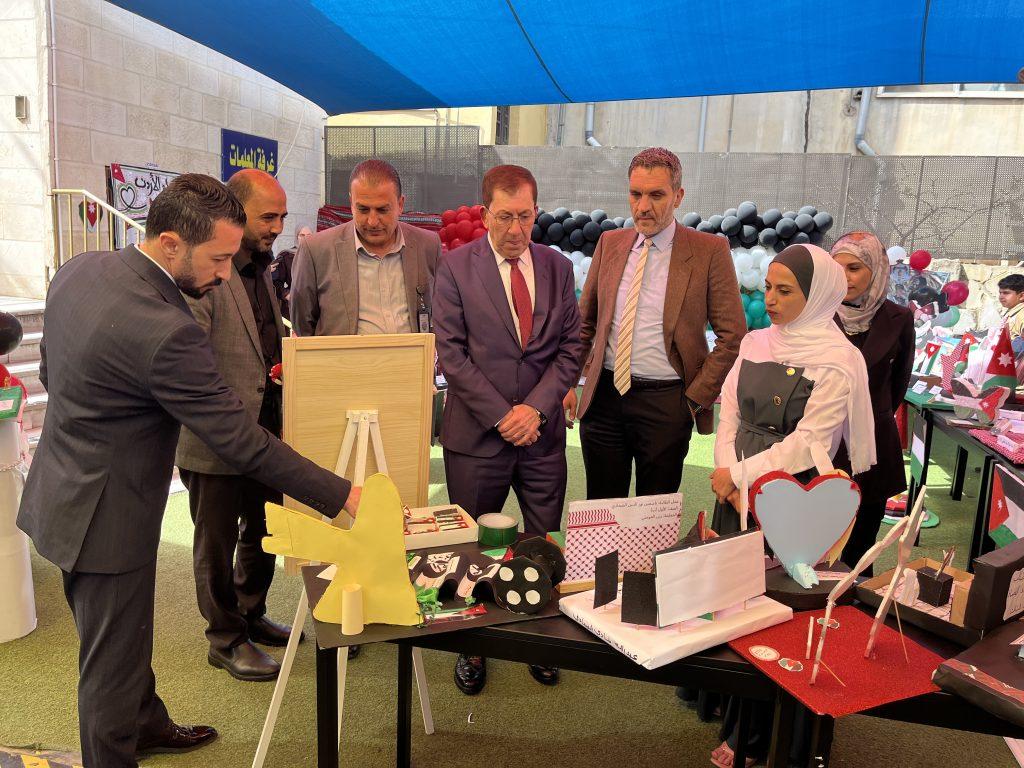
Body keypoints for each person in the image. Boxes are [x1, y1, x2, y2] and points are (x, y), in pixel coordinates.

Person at [17, 174, 359, 768]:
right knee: (108, 669)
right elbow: (242, 443)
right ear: (172, 242)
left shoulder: (81, 268)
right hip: (106, 519)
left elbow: (51, 371)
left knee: (120, 641)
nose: (226, 274)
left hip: (62, 489)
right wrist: (345, 495)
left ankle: (145, 724)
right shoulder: (167, 330)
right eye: (219, 258)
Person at [707, 244, 875, 768]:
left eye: (785, 291)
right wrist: (726, 473)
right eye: (768, 288)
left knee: (774, 612)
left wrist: (741, 477)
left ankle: (759, 733)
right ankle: (731, 707)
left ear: (817, 295)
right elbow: (728, 410)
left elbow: (809, 442)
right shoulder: (756, 341)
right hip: (732, 486)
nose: (771, 300)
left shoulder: (838, 359)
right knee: (730, 597)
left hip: (789, 497)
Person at [433, 164, 582, 694]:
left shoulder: (558, 267)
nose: (515, 229)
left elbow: (571, 349)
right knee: (474, 548)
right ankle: (473, 645)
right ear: (484, 213)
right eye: (504, 217)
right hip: (477, 438)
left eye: (524, 216)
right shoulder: (455, 267)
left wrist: (535, 410)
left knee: (541, 543)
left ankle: (538, 641)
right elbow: (451, 355)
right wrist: (503, 415)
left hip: (541, 438)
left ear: (536, 212)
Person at [568, 147, 745, 500]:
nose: (643, 206)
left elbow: (733, 336)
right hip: (603, 399)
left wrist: (693, 399)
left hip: (667, 403)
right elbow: (585, 324)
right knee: (602, 509)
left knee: (655, 513)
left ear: (678, 196)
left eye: (656, 195)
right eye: (636, 194)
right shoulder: (610, 243)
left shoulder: (709, 251)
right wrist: (569, 382)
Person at [175, 169, 294, 683]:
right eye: (268, 217)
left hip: (264, 433)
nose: (278, 227)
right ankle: (223, 639)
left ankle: (250, 613)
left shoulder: (262, 268)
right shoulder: (204, 273)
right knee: (215, 543)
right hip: (212, 437)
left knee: (263, 529)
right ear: (236, 213)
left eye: (282, 217)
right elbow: (193, 364)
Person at [831, 231, 915, 570]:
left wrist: (870, 416)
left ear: (876, 270)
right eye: (837, 268)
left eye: (854, 268)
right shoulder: (816, 312)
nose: (844, 278)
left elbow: (898, 383)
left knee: (861, 542)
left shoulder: (899, 318)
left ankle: (855, 595)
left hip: (874, 443)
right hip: (820, 438)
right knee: (814, 538)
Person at [289, 160, 441, 337]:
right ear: (351, 203)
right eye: (363, 209)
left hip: (414, 356)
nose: (372, 221)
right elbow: (303, 326)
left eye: (382, 210)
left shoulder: (427, 245)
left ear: (400, 205)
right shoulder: (315, 250)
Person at [270, 225, 311, 320]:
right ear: (297, 237)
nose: (305, 238)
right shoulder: (287, 256)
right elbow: (275, 281)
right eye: (302, 235)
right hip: (293, 306)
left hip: (314, 306)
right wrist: (287, 294)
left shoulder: (319, 255)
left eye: (309, 235)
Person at [999, 273, 1024, 356]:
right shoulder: (1011, 311)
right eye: (1000, 293)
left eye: (1006, 293)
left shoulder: (1022, 315)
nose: (1001, 297)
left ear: (1021, 296)